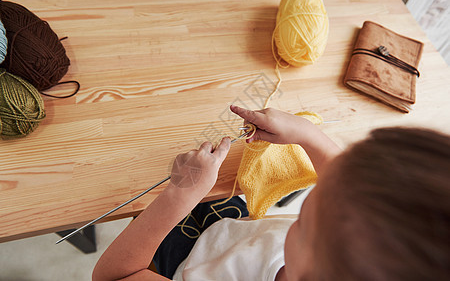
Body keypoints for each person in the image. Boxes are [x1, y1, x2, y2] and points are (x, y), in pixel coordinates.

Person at [93, 105, 450, 281]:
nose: (321, 184)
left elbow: (114, 275)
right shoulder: (354, 251)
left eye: (305, 221)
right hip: (233, 234)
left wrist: (179, 195)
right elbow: (352, 187)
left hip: (184, 261)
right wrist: (307, 134)